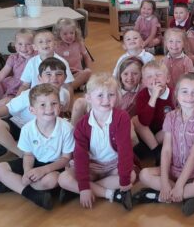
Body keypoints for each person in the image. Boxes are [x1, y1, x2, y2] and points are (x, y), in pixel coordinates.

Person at [134, 73, 194, 216]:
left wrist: (178, 185)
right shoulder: (170, 117)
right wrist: (165, 182)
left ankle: (162, 196)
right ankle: (185, 195)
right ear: (176, 94)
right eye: (184, 91)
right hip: (174, 167)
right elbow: (166, 151)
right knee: (144, 174)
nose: (189, 97)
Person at [57, 73, 135, 210]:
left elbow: (125, 151)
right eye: (100, 95)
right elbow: (80, 156)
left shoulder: (121, 117)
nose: (106, 100)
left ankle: (79, 189)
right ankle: (110, 194)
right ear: (88, 98)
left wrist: (124, 181)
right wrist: (84, 187)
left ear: (116, 96)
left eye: (111, 95)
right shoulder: (82, 125)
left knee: (131, 176)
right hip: (91, 166)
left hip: (112, 165)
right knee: (63, 178)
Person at [0, 84, 74, 210]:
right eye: (42, 105)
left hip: (54, 166)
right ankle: (33, 194)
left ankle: (15, 185)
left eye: (54, 103)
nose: (49, 108)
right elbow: (28, 155)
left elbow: (66, 159)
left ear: (60, 106)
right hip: (34, 162)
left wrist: (43, 170)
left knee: (52, 180)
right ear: (32, 110)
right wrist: (27, 171)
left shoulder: (67, 129)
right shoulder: (27, 129)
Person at [0, 58, 71, 164]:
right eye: (48, 74)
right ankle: (20, 153)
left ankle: (3, 145)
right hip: (19, 126)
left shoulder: (65, 94)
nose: (54, 78)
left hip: (43, 131)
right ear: (39, 78)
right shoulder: (29, 94)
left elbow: (64, 112)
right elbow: (8, 108)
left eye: (59, 74)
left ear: (65, 77)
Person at [72, 57, 144, 127]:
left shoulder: (142, 90)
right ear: (120, 75)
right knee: (79, 103)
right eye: (125, 74)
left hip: (115, 120)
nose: (130, 77)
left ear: (141, 75)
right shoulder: (113, 85)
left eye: (135, 73)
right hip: (100, 110)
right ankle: (73, 132)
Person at [133, 60, 175, 165]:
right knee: (136, 120)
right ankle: (157, 151)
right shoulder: (142, 95)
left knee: (174, 125)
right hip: (147, 130)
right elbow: (144, 121)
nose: (154, 79)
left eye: (158, 75)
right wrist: (153, 98)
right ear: (143, 82)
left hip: (164, 132)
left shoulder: (175, 94)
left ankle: (151, 148)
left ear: (168, 78)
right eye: (149, 76)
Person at [18, 30, 74, 95]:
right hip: (36, 96)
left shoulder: (62, 62)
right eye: (40, 42)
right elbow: (25, 85)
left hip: (56, 96)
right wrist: (17, 99)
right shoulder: (32, 62)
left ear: (55, 44)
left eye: (49, 41)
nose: (45, 44)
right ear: (34, 47)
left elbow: (68, 86)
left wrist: (70, 101)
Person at [53, 17, 93, 92]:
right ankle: (76, 87)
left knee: (88, 72)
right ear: (59, 34)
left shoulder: (79, 43)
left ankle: (67, 89)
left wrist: (89, 69)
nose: (69, 36)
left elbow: (87, 57)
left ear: (75, 32)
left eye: (71, 33)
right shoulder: (56, 46)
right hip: (63, 74)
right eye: (65, 34)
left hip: (77, 73)